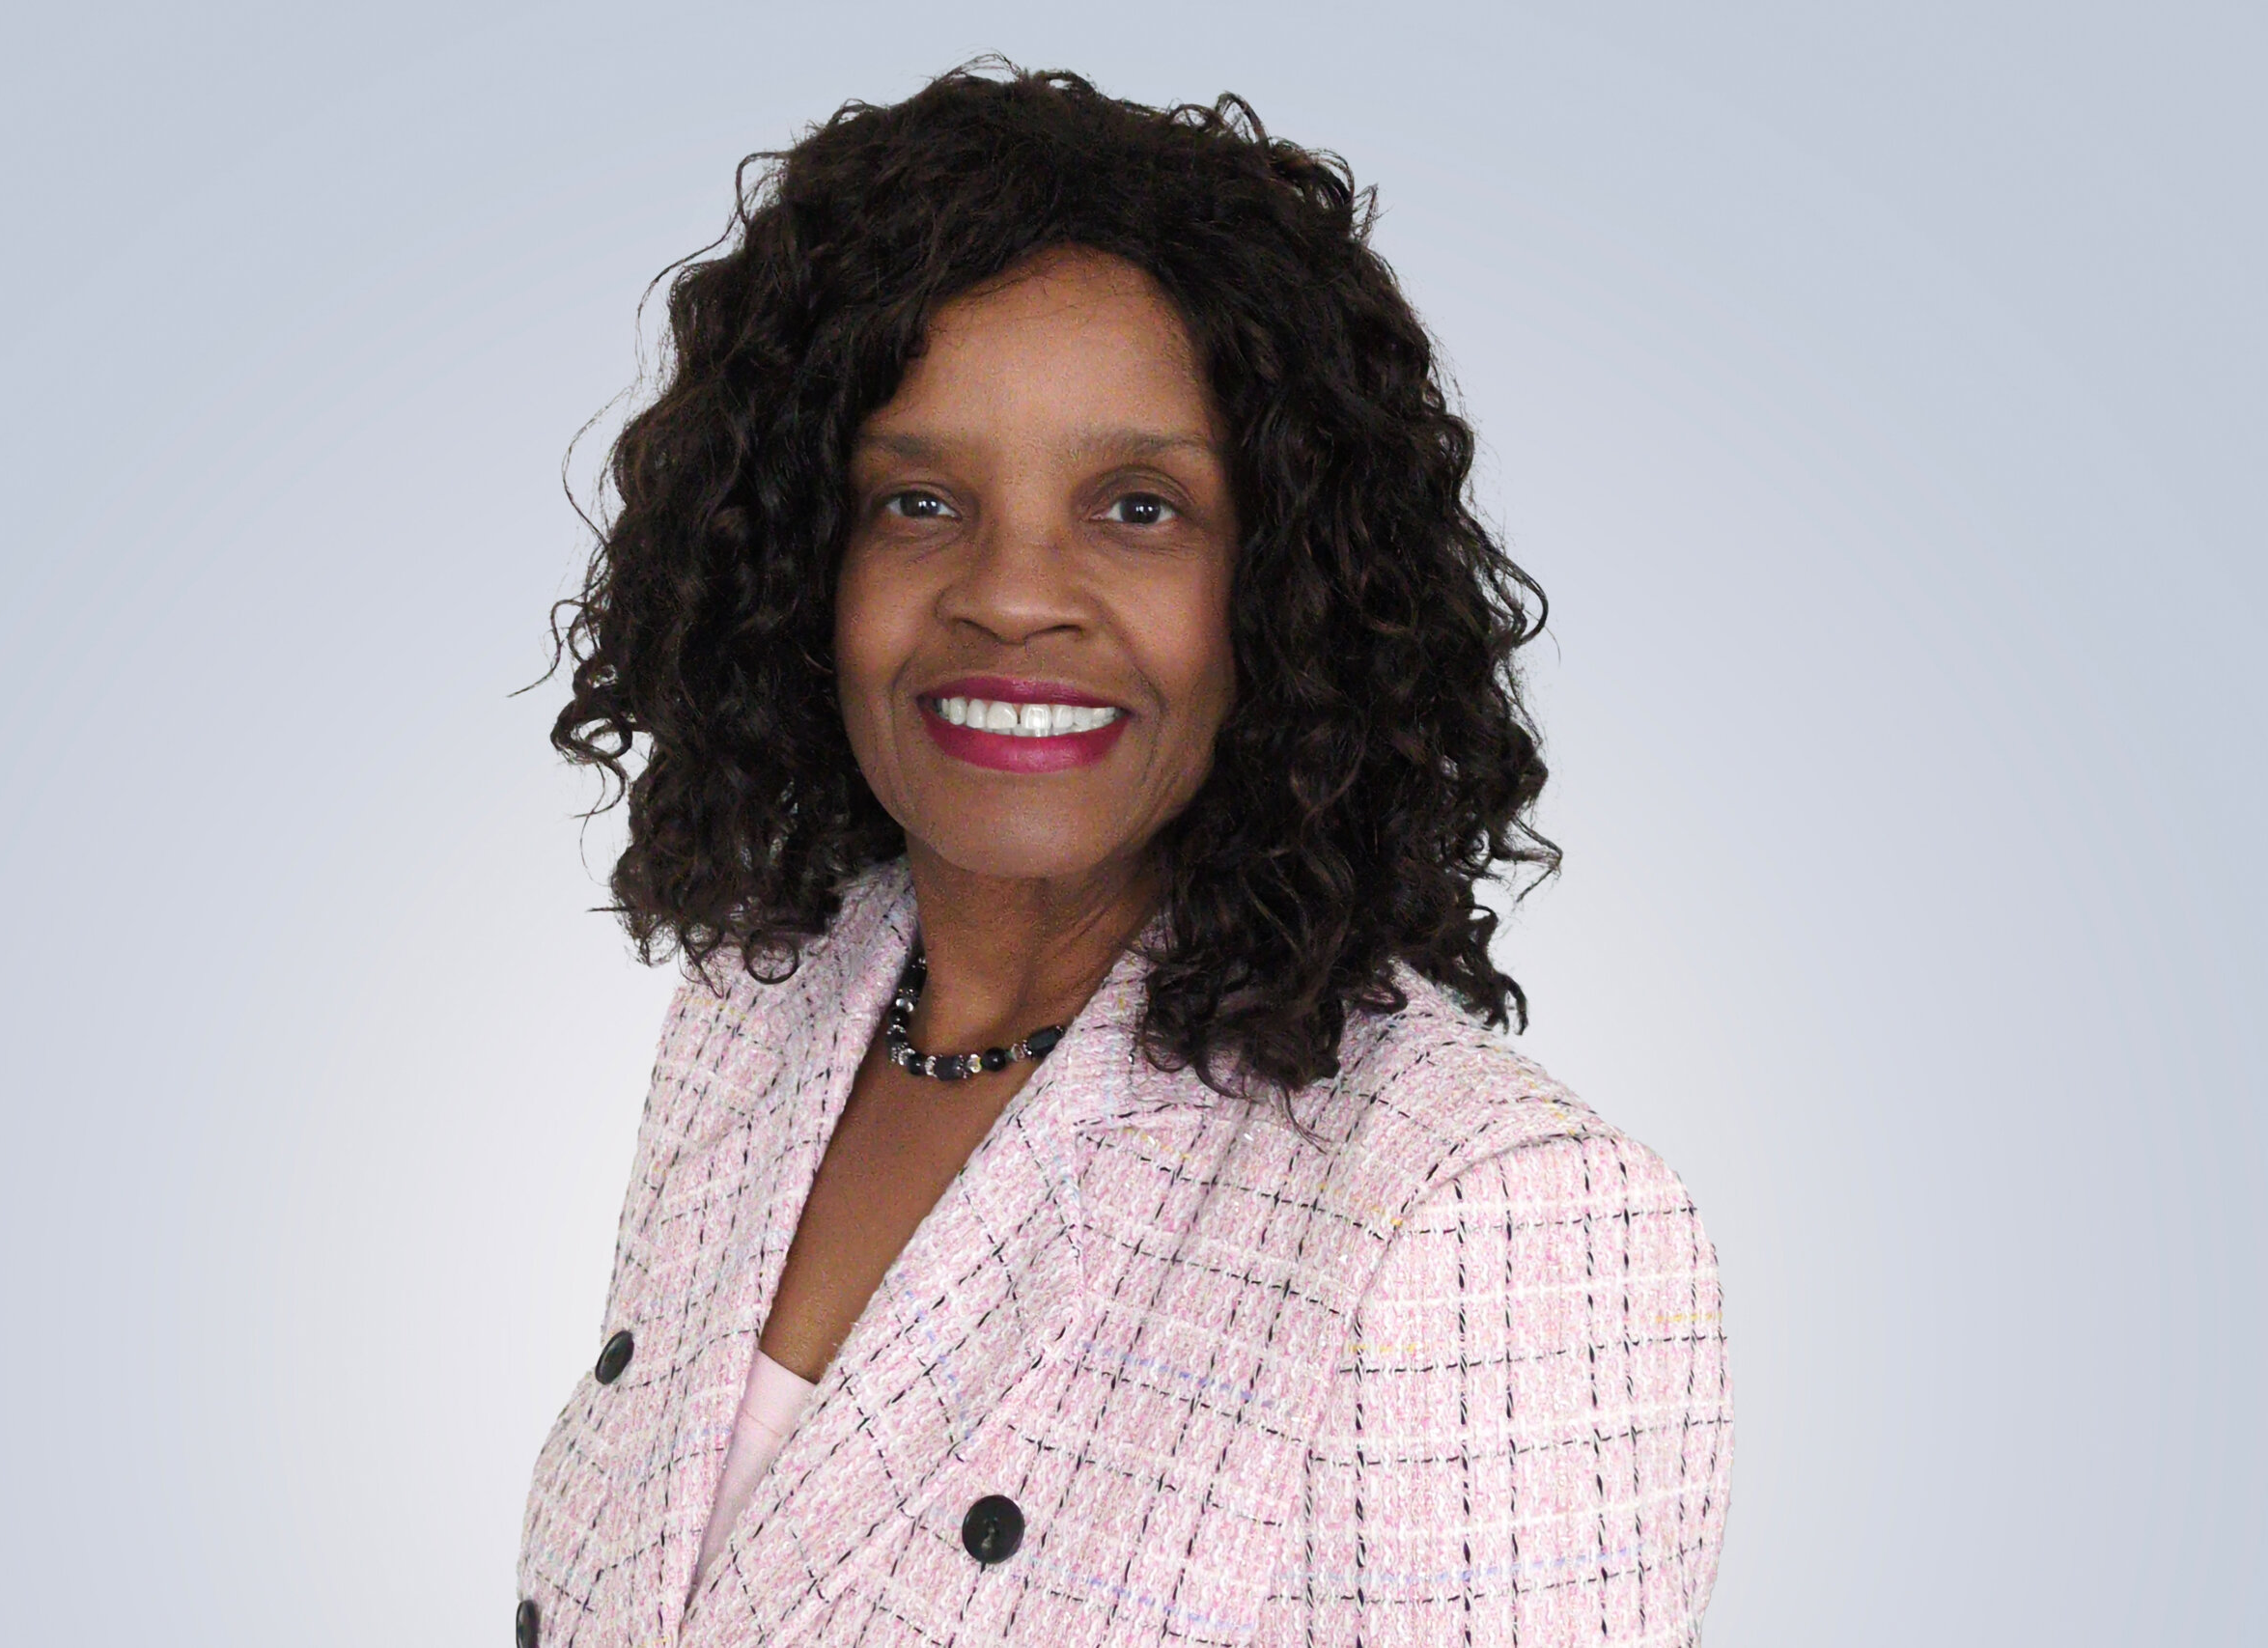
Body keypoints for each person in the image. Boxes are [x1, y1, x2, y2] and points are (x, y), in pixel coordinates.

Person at [516, 64, 1730, 1648]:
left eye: (1139, 508)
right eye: (919, 499)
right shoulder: (758, 1016)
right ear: (798, 571)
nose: (1014, 594)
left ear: (1289, 589)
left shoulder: (1488, 1213)